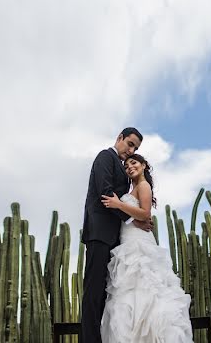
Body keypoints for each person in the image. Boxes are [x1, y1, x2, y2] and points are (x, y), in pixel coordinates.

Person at [99, 153, 193, 342]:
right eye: (126, 166)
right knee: (128, 292)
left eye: (133, 163)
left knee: (146, 286)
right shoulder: (132, 187)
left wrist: (118, 203)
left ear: (144, 166)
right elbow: (136, 217)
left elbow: (145, 213)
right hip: (127, 239)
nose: (129, 167)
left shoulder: (144, 186)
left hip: (139, 242)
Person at [81, 127, 150, 343]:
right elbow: (105, 193)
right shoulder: (105, 156)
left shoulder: (123, 168)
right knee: (93, 293)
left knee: (106, 293)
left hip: (114, 238)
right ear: (119, 138)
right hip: (100, 234)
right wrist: (134, 220)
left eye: (136, 148)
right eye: (130, 144)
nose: (131, 151)